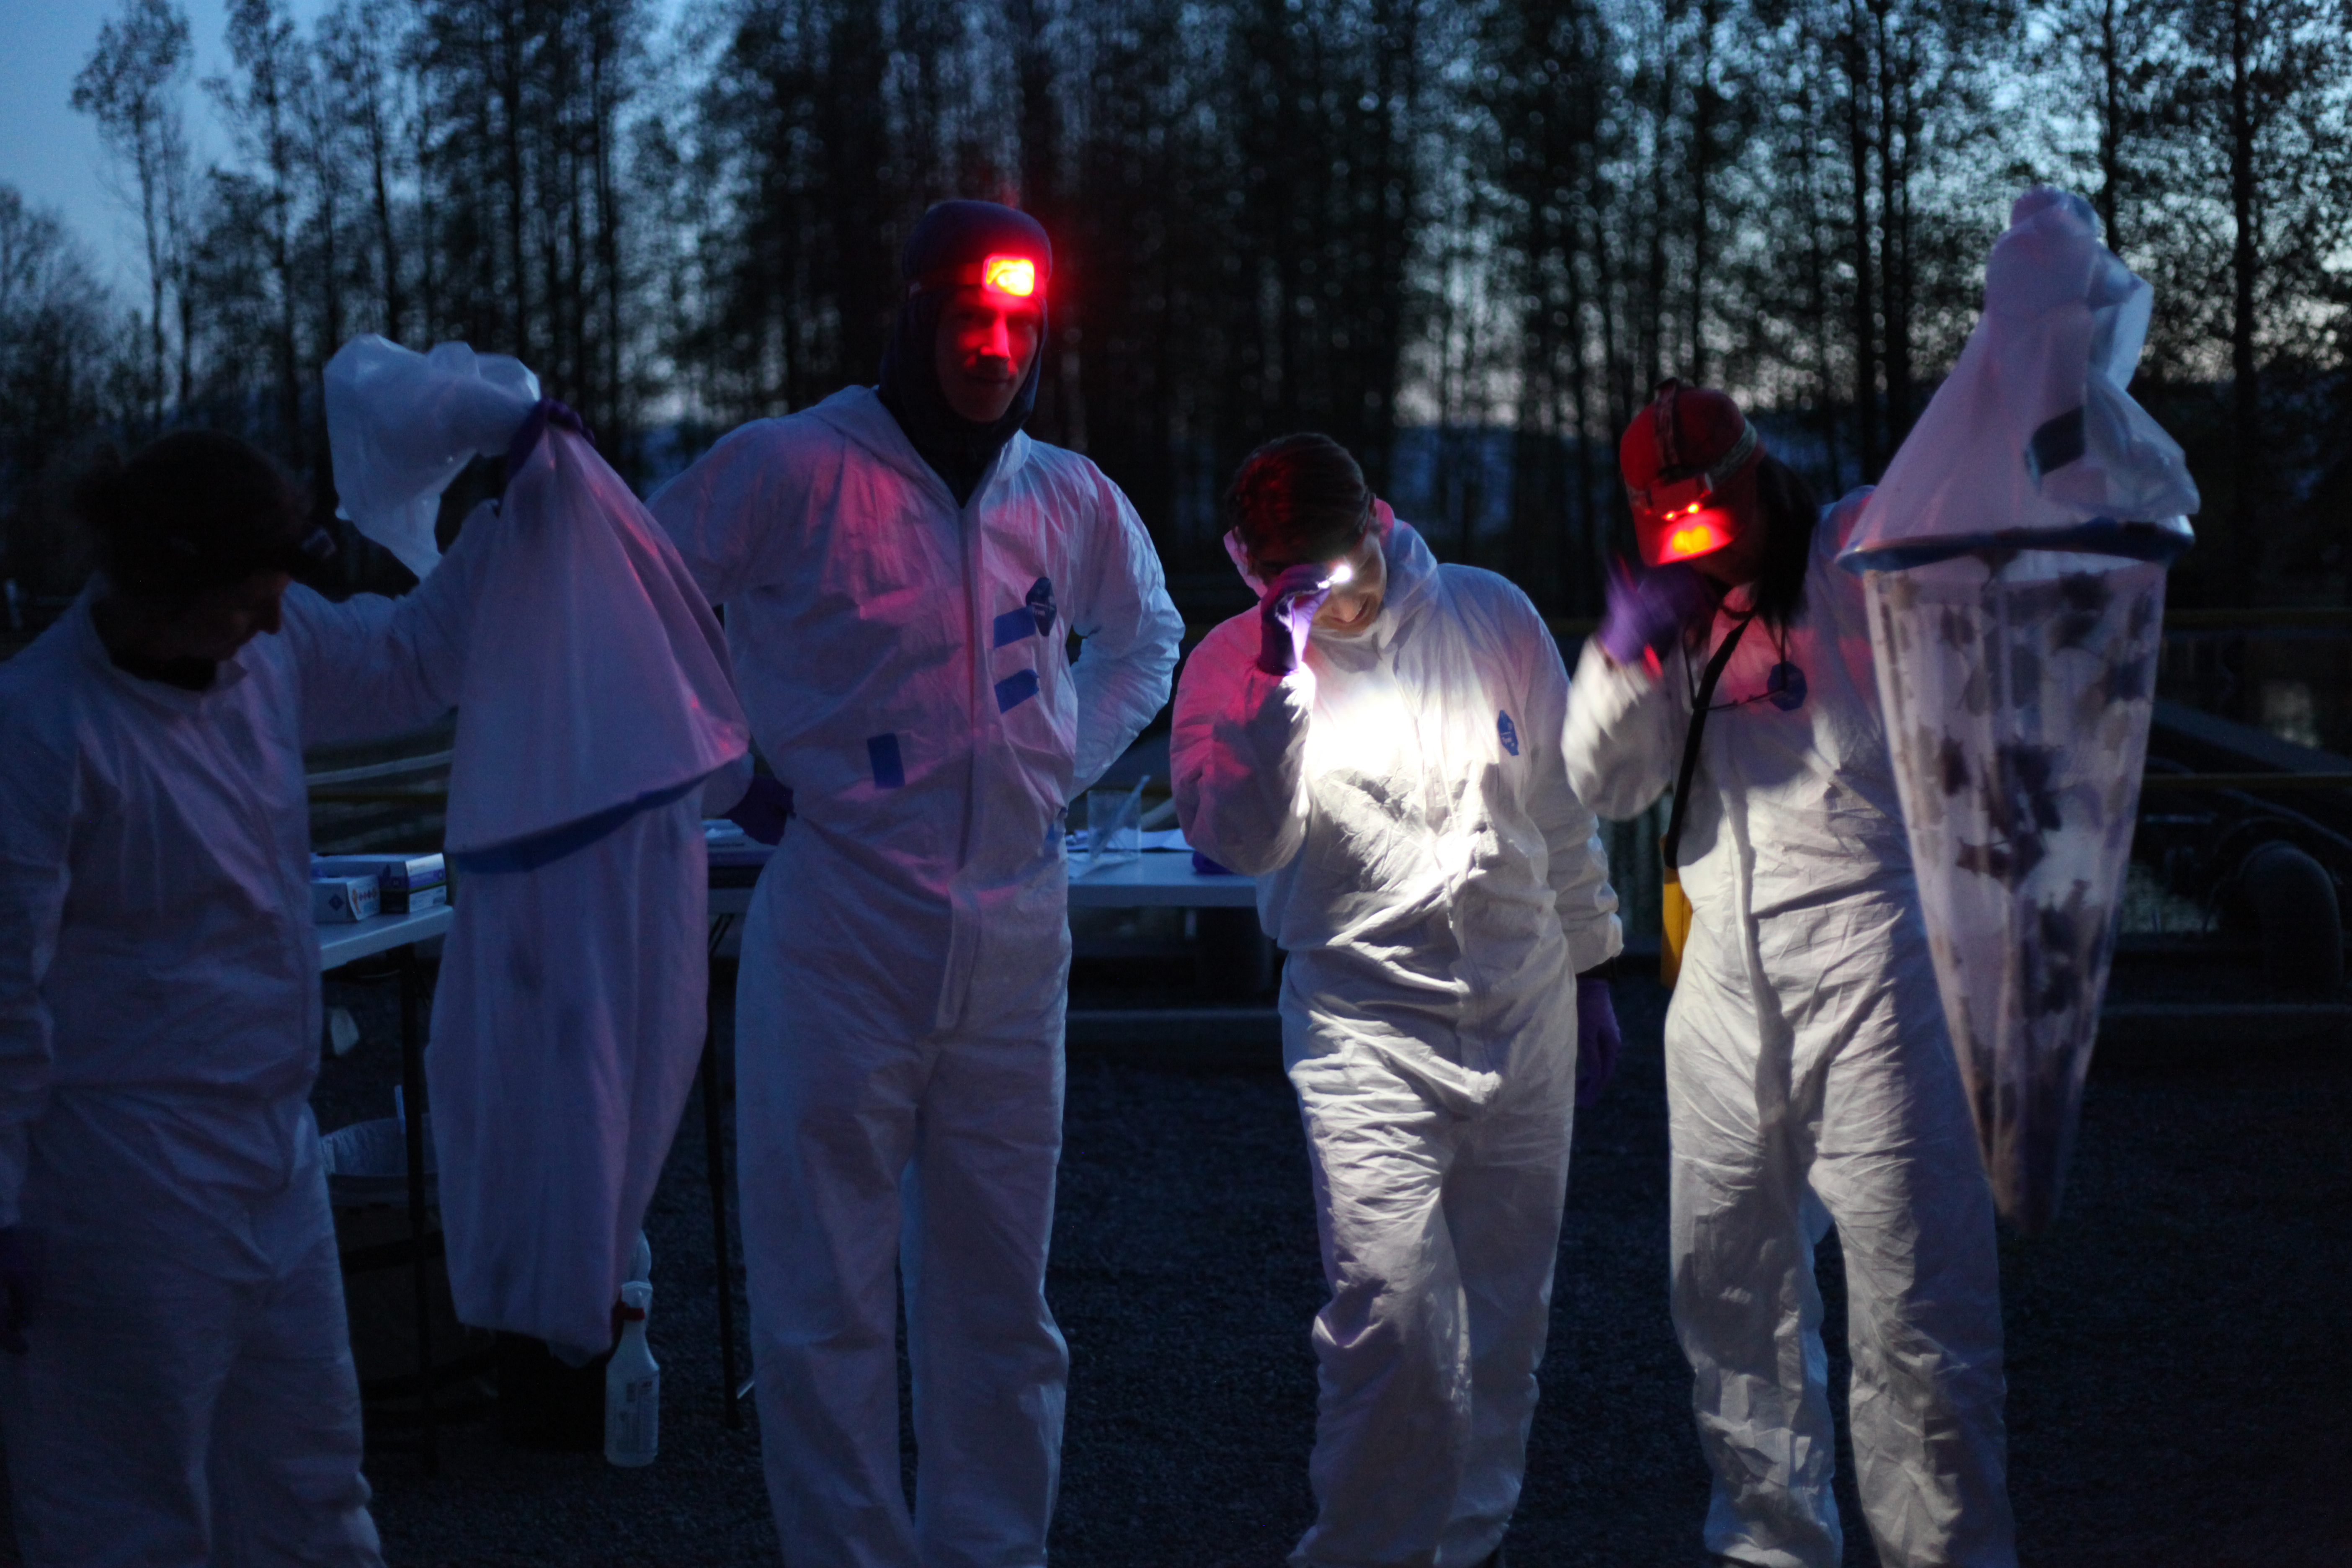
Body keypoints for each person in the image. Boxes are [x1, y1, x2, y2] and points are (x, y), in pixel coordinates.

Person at [649, 200, 1182, 1566]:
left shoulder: (1065, 495)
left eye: (1020, 325)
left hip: (1015, 936)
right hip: (843, 932)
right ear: (914, 318)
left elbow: (1148, 635)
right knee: (822, 1303)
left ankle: (990, 1553)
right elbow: (635, 605)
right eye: (969, 320)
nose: (995, 349)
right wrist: (729, 771)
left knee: (1000, 1301)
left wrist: (1053, 767)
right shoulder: (792, 471)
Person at [0, 431, 488, 1565]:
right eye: (247, 600)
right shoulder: (41, 731)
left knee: (309, 1487)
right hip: (120, 1184)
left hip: (275, 1155)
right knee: (124, 1511)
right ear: (160, 590)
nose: (275, 621)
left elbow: (411, 659)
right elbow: (4, 998)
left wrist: (516, 522)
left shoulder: (260, 650)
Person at [1564, 380, 2015, 1568]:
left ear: (1760, 482)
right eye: (1681, 538)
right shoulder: (1672, 622)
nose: (1710, 552)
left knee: (1917, 1302)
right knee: (1729, 1290)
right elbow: (1606, 784)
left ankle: (1950, 1554)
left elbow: (1981, 580)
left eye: (1722, 525)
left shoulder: (1860, 553)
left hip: (1880, 963)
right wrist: (1622, 654)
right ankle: (1769, 1548)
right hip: (1722, 971)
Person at [1171, 433, 1623, 1568]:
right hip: (1362, 1031)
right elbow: (1243, 840)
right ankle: (1365, 1552)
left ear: (1378, 517)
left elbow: (1559, 807)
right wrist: (1279, 684)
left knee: (1506, 1320)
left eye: (1351, 567)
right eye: (1310, 585)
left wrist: (1591, 969)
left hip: (1523, 1007)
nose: (1345, 602)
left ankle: (1466, 1544)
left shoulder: (1491, 615)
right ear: (1253, 566)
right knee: (1391, 1314)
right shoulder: (1233, 666)